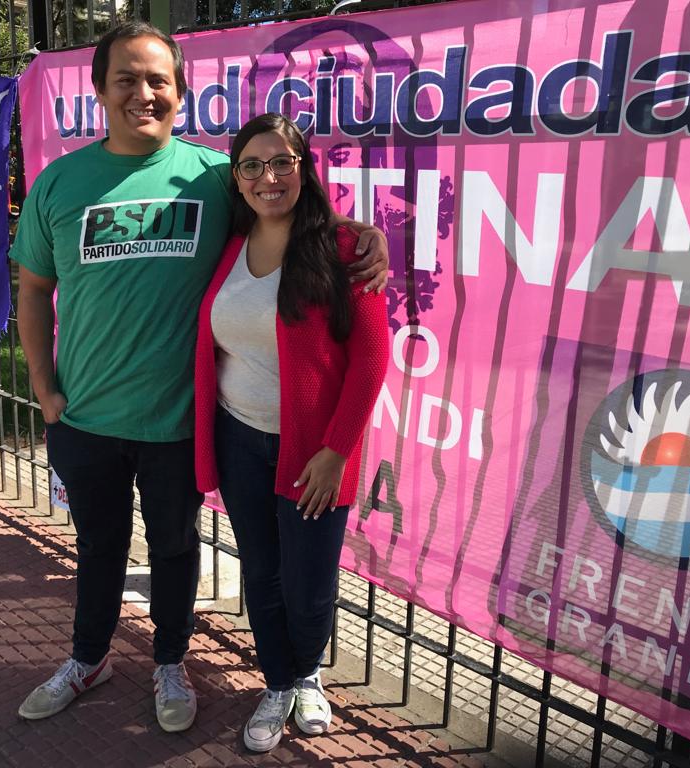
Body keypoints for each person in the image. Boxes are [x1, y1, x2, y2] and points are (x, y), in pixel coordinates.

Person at [10, 22, 389, 732]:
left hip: (179, 422)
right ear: (99, 91)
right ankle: (87, 658)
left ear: (180, 93)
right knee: (97, 548)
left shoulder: (214, 176)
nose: (143, 93)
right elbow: (32, 288)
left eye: (158, 80)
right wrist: (43, 387)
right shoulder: (59, 182)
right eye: (126, 78)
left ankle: (170, 663)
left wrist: (361, 236)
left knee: (176, 548)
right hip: (84, 416)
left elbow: (286, 203)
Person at [194, 113, 389, 752]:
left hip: (313, 454)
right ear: (237, 178)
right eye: (252, 165)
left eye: (281, 161)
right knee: (262, 572)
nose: (268, 176)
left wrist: (337, 451)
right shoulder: (230, 244)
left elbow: (371, 358)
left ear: (303, 168)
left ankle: (307, 672)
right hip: (239, 439)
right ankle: (278, 681)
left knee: (309, 585)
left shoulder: (344, 248)